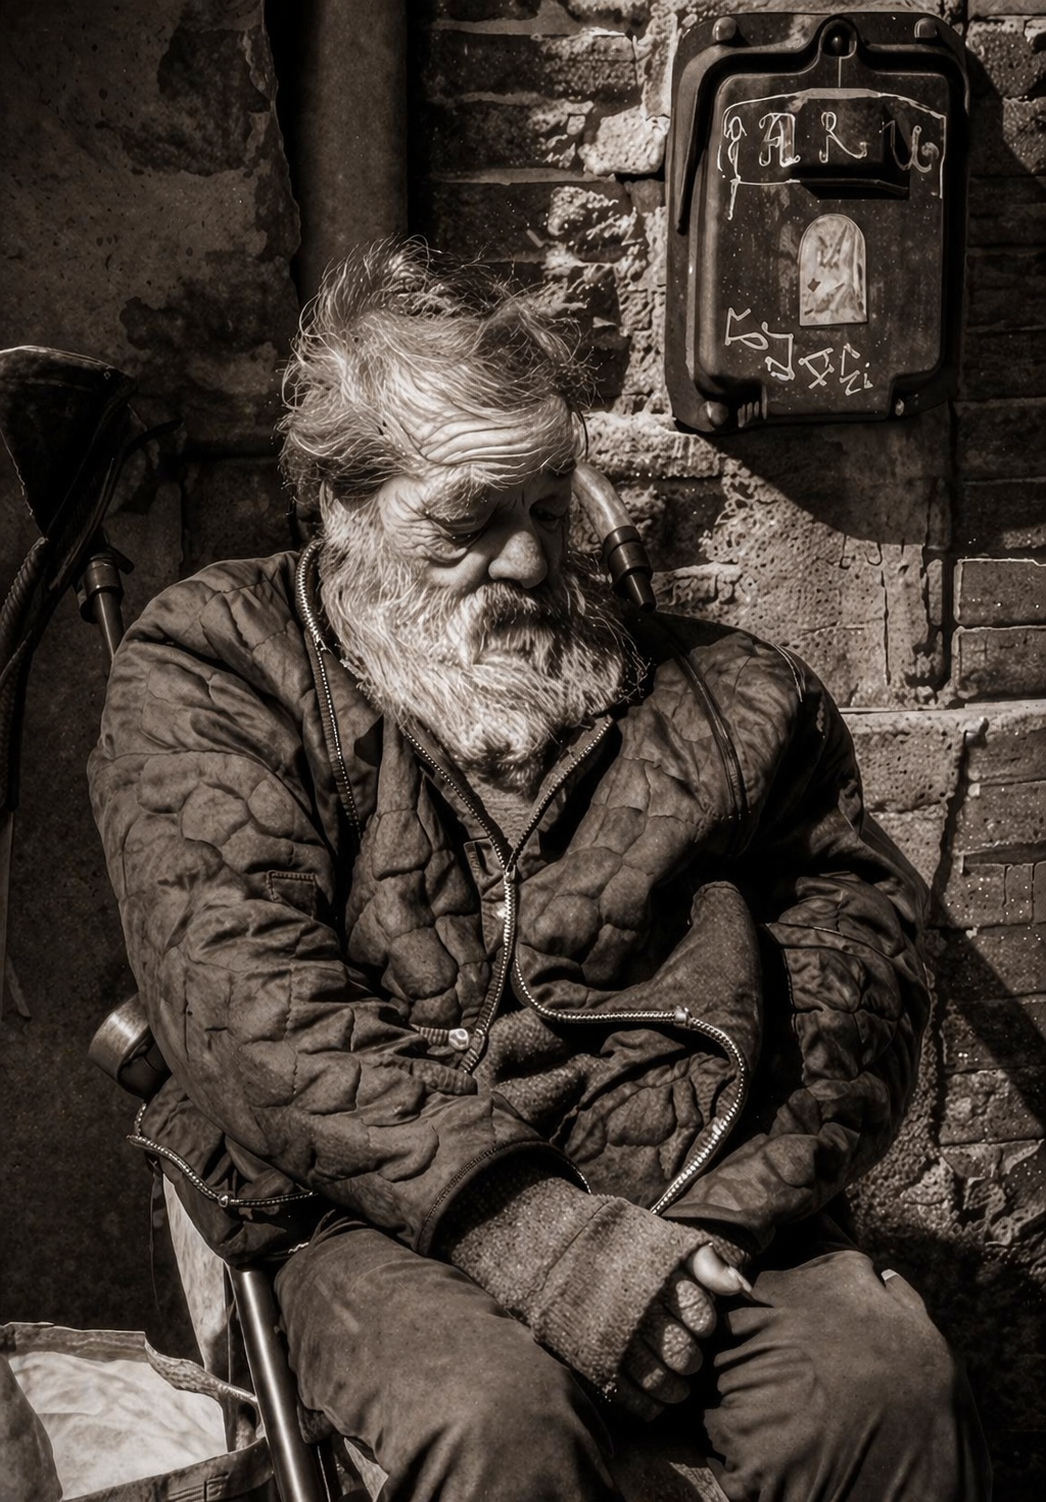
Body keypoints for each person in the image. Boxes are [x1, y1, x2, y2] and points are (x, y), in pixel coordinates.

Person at [89, 241, 990, 1501]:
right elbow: (247, 999)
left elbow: (859, 978)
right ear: (342, 506)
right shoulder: (215, 665)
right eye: (469, 520)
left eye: (549, 507)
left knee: (881, 1388)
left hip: (695, 1185)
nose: (525, 559)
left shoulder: (734, 699)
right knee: (493, 1421)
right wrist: (536, 1234)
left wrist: (704, 1234)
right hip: (379, 1208)